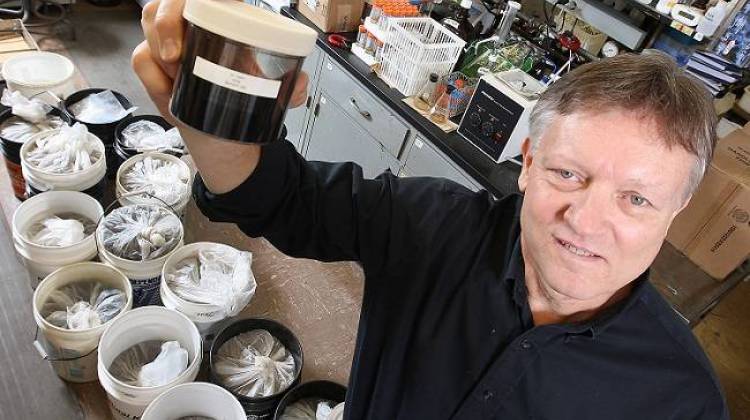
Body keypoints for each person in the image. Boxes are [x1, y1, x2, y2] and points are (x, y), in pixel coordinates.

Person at [133, 1, 729, 418]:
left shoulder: (682, 399)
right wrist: (214, 117)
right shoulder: (434, 227)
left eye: (637, 198)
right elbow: (280, 199)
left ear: (675, 211)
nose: (587, 220)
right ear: (526, 162)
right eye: (568, 174)